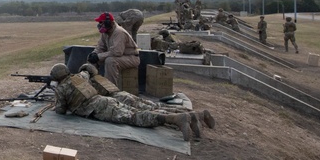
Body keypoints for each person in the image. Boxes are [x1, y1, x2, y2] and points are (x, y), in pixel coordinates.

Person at [51, 63, 215, 141]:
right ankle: (193, 115)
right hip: (105, 99)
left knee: (136, 117)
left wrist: (57, 94)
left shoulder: (61, 89)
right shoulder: (79, 77)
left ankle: (175, 119)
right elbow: (87, 71)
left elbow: (60, 110)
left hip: (98, 108)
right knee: (148, 107)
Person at [87, 12, 141, 85]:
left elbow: (117, 52)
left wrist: (98, 56)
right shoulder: (105, 32)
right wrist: (94, 54)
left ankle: (110, 88)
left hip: (131, 57)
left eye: (101, 22)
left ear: (108, 23)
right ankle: (91, 83)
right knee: (92, 59)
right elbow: (100, 47)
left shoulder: (119, 32)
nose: (99, 25)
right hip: (120, 56)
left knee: (110, 61)